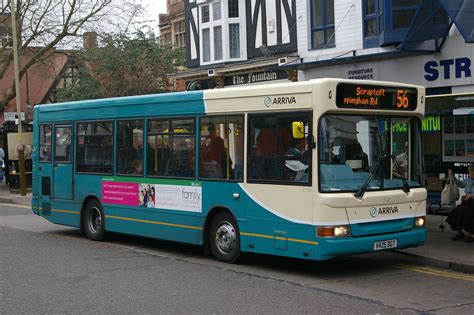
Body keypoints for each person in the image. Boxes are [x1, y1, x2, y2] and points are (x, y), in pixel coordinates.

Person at [445, 165, 474, 242]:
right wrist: (452, 176)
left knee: (467, 212)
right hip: (467, 203)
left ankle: (473, 234)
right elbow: (460, 184)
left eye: (471, 172)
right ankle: (459, 232)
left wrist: (471, 196)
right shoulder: (468, 180)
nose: (469, 174)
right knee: (457, 211)